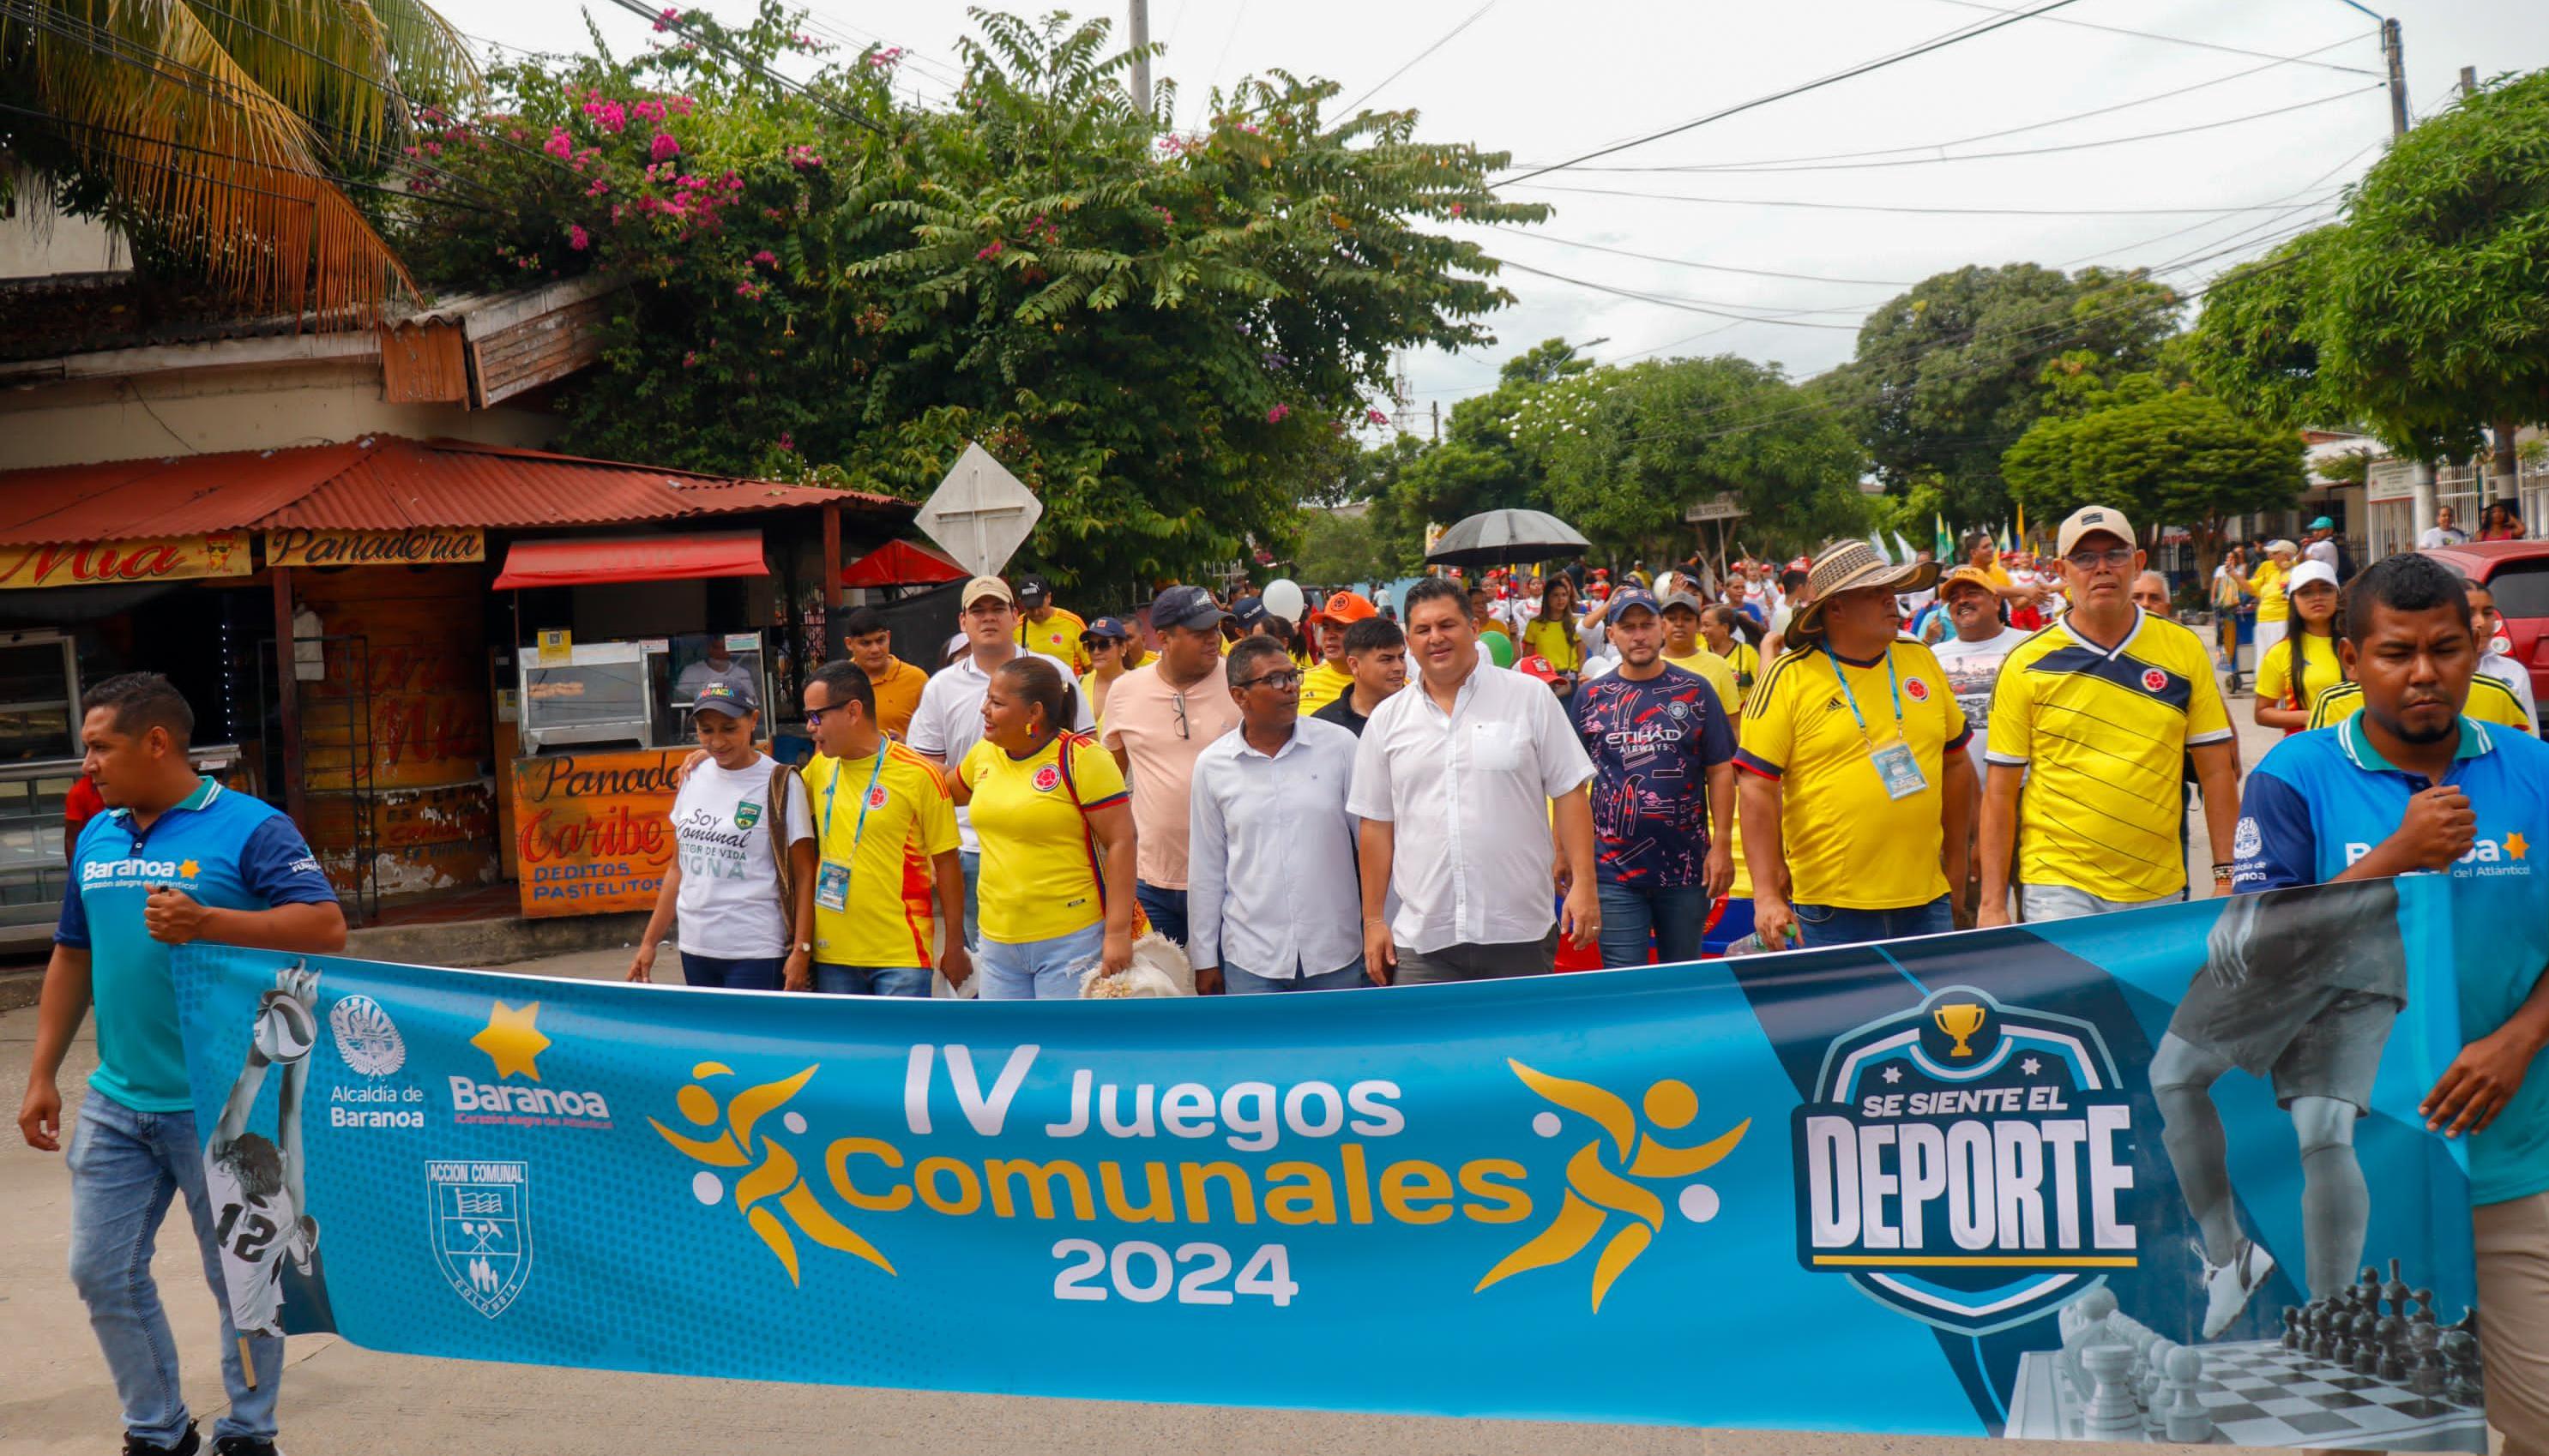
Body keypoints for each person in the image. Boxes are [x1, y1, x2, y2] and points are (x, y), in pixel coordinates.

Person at [2208, 552, 2549, 1447]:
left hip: (2515, 1156)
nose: (2425, 673)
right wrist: (2395, 855)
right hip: (2363, 1160)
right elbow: (2257, 956)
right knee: (2374, 1422)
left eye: (2445, 648)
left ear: (2475, 647)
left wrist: (2518, 1038)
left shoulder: (2532, 770)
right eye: (2396, 653)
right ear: (2349, 658)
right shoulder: (2292, 778)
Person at [18, 672, 345, 1456]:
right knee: (101, 1273)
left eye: (100, 745)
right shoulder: (98, 835)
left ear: (156, 742)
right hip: (116, 1101)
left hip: (222, 1104)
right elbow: (73, 953)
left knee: (243, 1282)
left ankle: (249, 1431)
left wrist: (209, 922)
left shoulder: (250, 827)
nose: (87, 763)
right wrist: (41, 1074)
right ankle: (157, 1430)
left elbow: (326, 926)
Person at [1976, 506, 2240, 925]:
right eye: (2084, 558)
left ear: (2136, 564)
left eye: (2114, 555)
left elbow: (2216, 772)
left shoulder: (2183, 648)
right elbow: (2001, 792)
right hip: (2058, 885)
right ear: (2062, 570)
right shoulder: (2025, 663)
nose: (2101, 568)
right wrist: (1992, 905)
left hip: (2158, 883)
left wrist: (2227, 876)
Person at [1349, 575, 1599, 983]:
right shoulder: (1387, 721)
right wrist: (1374, 920)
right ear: (1409, 641)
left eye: (1447, 625)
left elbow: (1570, 793)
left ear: (1474, 627)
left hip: (1519, 932)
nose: (1436, 638)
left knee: (1522, 1048)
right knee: (1429, 1048)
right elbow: (1376, 824)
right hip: (1423, 940)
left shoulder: (1529, 698)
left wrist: (1585, 885)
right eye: (1422, 630)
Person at [1738, 540, 1972, 950]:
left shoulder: (1920, 659)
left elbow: (1955, 765)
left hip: (1928, 899)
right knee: (1850, 1016)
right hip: (1831, 908)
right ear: (1835, 608)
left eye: (1891, 589)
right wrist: (1766, 895)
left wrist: (1956, 869)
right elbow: (1756, 787)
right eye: (1874, 592)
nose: (1890, 600)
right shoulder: (1786, 678)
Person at [907, 575, 1093, 950]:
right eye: (978, 610)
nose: (988, 618)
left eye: (997, 609)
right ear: (963, 622)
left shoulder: (1052, 673)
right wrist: (990, 781)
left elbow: (1084, 751)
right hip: (970, 846)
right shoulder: (941, 686)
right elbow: (925, 769)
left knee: (1058, 950)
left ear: (1015, 616)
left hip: (1049, 839)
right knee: (980, 966)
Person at [1187, 637, 1371, 995]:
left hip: (1335, 953)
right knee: (1258, 1052)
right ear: (1239, 696)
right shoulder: (1213, 765)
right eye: (1274, 680)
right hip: (1253, 959)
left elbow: (1370, 843)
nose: (1290, 688)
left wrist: (1381, 924)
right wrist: (1204, 958)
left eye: (1293, 676)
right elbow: (1207, 868)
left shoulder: (1339, 746)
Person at [951, 657, 1136, 998]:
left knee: (1063, 1049)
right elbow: (942, 792)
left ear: (1034, 712)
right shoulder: (985, 754)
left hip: (1071, 941)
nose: (984, 709)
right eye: (987, 698)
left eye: (997, 702)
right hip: (996, 942)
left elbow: (1122, 840)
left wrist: (1117, 933)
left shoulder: (1083, 758)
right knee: (1007, 1049)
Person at [1570, 588, 1735, 967]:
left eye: (1646, 625)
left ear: (1662, 629)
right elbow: (1571, 785)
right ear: (1611, 635)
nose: (1638, 635)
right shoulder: (1592, 696)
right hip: (1613, 869)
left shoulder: (1696, 691)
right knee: (1624, 986)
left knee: (1682, 982)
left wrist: (1721, 843)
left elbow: (1720, 769)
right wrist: (1563, 852)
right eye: (1628, 627)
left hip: (1686, 867)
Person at [797, 659, 970, 997]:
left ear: (853, 710)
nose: (809, 727)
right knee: (845, 1053)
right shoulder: (819, 769)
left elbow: (948, 865)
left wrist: (953, 945)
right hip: (833, 954)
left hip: (901, 957)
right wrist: (709, 762)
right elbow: (769, 796)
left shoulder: (918, 774)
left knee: (902, 1052)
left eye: (816, 716)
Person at [627, 684, 817, 990]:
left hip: (755, 949)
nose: (717, 741)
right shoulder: (693, 774)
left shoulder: (781, 782)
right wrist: (649, 943)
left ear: (753, 720)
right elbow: (678, 868)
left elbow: (805, 874)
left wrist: (801, 950)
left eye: (729, 729)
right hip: (695, 946)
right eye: (706, 730)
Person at [1102, 585, 1243, 951]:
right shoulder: (1124, 691)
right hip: (1151, 883)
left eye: (1216, 629)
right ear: (1163, 638)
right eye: (1200, 633)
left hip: (1232, 879)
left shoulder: (1240, 685)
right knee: (1160, 995)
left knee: (1227, 997)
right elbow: (1108, 781)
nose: (1214, 639)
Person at [1929, 566, 2032, 788]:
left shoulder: (2031, 645)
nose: (1962, 601)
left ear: (1996, 602)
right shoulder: (1933, 657)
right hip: (1961, 793)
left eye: (1972, 593)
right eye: (1954, 598)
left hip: (2025, 790)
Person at [2254, 559, 2343, 735]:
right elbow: (2262, 713)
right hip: (2309, 750)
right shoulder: (2280, 652)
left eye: (2326, 589)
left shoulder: (2358, 645)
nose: (2317, 597)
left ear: (2337, 595)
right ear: (2293, 600)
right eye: (2306, 592)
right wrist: (2311, 716)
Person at [834, 606, 927, 743]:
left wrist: (908, 745)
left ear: (888, 637)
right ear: (849, 644)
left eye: (880, 640)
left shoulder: (917, 680)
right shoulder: (836, 682)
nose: (875, 649)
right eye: (865, 643)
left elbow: (935, 737)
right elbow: (823, 737)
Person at [1312, 615, 1407, 737]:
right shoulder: (1324, 726)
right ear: (1355, 665)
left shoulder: (1424, 713)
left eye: (1402, 657)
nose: (1399, 667)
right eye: (1386, 659)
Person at [2468, 580, 2541, 730]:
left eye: (2487, 613)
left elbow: (2528, 736)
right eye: (2469, 613)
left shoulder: (2514, 672)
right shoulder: (2436, 673)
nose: (2481, 622)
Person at [1299, 591, 1376, 718]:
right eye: (1326, 627)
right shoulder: (1301, 681)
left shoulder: (1391, 684)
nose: (1330, 635)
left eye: (1340, 628)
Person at [1519, 573, 1584, 696]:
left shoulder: (1576, 623)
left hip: (1570, 680)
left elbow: (1581, 657)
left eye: (1564, 595)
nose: (1561, 599)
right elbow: (1527, 657)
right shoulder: (1535, 624)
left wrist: (1581, 679)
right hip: (1544, 679)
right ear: (1547, 598)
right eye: (1556, 595)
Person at [1011, 575, 1090, 674]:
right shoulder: (1016, 627)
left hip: (1068, 687)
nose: (1036, 612)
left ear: (1049, 597)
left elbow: (1092, 665)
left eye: (1039, 606)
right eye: (1030, 608)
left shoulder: (1072, 623)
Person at [1698, 604, 1760, 711]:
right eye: (1701, 625)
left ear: (1725, 627)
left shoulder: (1747, 653)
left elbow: (1761, 688)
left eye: (1707, 625)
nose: (1702, 630)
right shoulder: (1698, 652)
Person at [1078, 617, 1137, 727]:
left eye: (1104, 645)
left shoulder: (1138, 684)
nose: (1096, 652)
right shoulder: (1079, 684)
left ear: (1123, 647)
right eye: (1091, 646)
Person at [2211, 545, 2254, 694]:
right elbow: (2217, 586)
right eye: (2228, 558)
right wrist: (2214, 599)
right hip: (2226, 608)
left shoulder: (2240, 571)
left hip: (2236, 607)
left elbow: (2245, 587)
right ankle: (2225, 656)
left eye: (2232, 558)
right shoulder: (2222, 570)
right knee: (2222, 634)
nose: (2229, 560)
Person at [2248, 539, 2297, 665]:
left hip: (2282, 621)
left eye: (2274, 553)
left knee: (2280, 659)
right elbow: (2250, 587)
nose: (2270, 556)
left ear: (2285, 555)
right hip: (2263, 621)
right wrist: (2233, 575)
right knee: (2264, 659)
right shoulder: (2269, 569)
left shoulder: (2295, 571)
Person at [674, 636, 756, 703]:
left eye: (724, 648)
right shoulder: (690, 672)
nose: (720, 653)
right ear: (708, 648)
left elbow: (752, 702)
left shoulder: (742, 674)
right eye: (716, 647)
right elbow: (679, 701)